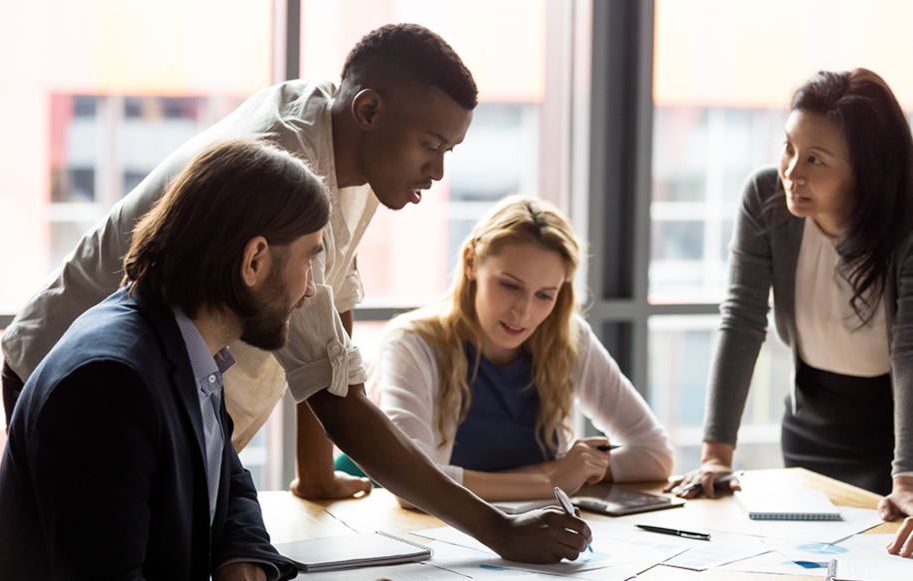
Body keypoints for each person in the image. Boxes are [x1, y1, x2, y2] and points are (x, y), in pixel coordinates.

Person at [0, 23, 477, 500]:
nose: (437, 171)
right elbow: (342, 405)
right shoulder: (285, 169)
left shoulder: (356, 140)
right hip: (82, 380)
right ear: (369, 109)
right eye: (431, 146)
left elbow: (332, 310)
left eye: (448, 151)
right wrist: (502, 532)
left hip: (174, 401)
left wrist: (316, 473)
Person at [0, 139, 324, 580]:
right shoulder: (110, 384)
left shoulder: (184, 345)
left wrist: (240, 556)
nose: (311, 288)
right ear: (254, 260)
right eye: (309, 260)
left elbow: (229, 480)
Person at [664, 68, 913, 548]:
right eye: (788, 147)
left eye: (816, 159)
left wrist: (906, 477)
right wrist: (717, 454)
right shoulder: (766, 200)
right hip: (810, 425)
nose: (791, 173)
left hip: (899, 439)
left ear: (868, 168)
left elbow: (909, 350)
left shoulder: (905, 224)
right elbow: (741, 318)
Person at [373, 195, 673, 502]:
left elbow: (655, 454)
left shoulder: (568, 338)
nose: (523, 313)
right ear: (471, 262)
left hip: (540, 533)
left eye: (544, 295)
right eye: (510, 286)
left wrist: (574, 471)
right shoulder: (412, 345)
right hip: (440, 533)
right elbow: (411, 484)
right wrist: (551, 480)